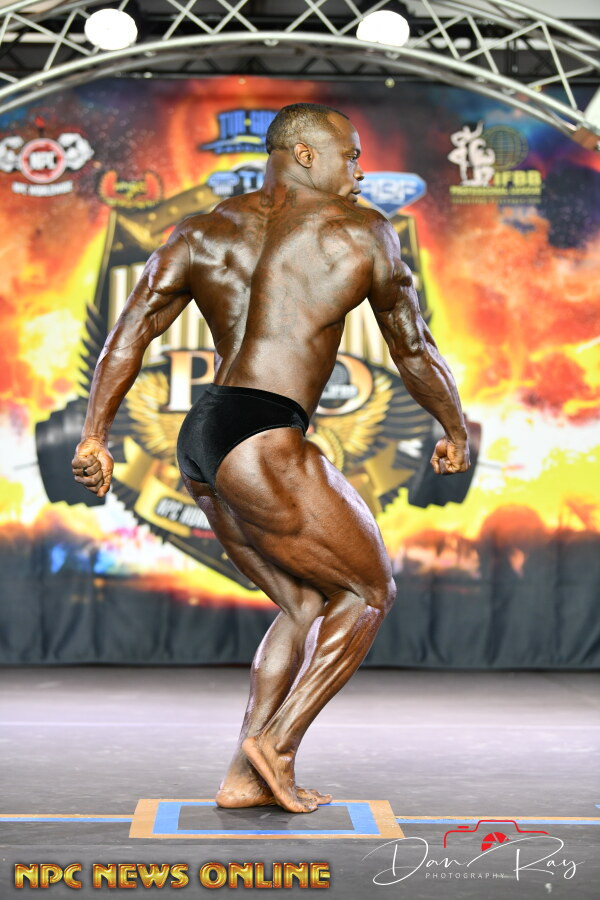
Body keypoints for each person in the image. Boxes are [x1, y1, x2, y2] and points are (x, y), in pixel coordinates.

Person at [72, 102, 470, 814]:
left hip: (204, 435)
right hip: (264, 432)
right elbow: (412, 347)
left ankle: (241, 776)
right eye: (351, 154)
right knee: (368, 592)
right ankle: (277, 745)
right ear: (307, 153)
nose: (360, 170)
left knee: (302, 602)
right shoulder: (361, 230)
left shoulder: (201, 231)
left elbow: (129, 330)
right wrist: (454, 428)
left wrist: (94, 434)